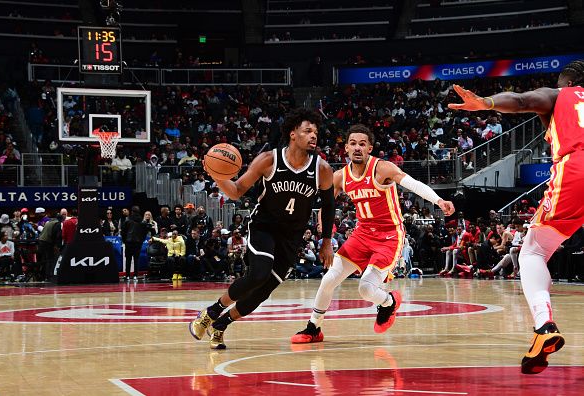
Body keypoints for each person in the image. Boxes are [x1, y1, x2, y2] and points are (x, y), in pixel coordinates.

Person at [447, 60, 584, 374]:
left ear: (569, 81)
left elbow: (523, 101)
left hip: (577, 167)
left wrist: (486, 103)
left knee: (533, 251)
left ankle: (544, 326)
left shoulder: (560, 95)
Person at [291, 124, 454, 344]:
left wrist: (438, 200)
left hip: (389, 235)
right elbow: (326, 204)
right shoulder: (341, 176)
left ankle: (388, 302)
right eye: (353, 143)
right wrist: (323, 227)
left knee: (365, 288)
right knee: (328, 280)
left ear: (369, 148)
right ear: (346, 148)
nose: (357, 148)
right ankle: (314, 328)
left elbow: (412, 183)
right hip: (362, 234)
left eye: (362, 144)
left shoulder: (382, 168)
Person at [188, 107, 335, 349]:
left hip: (292, 237)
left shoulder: (322, 169)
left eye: (315, 132)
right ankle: (210, 313)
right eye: (307, 130)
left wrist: (327, 241)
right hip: (264, 227)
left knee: (263, 292)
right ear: (292, 134)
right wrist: (216, 175)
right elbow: (236, 191)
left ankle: (221, 325)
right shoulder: (269, 160)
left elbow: (328, 206)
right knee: (259, 273)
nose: (313, 135)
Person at [120, 206, 151, 281]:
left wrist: (125, 240)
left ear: (132, 212)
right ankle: (135, 276)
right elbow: (144, 233)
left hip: (129, 242)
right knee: (136, 259)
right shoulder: (142, 222)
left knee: (128, 259)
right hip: (138, 243)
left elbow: (123, 232)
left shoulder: (128, 221)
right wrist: (141, 241)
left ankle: (127, 276)